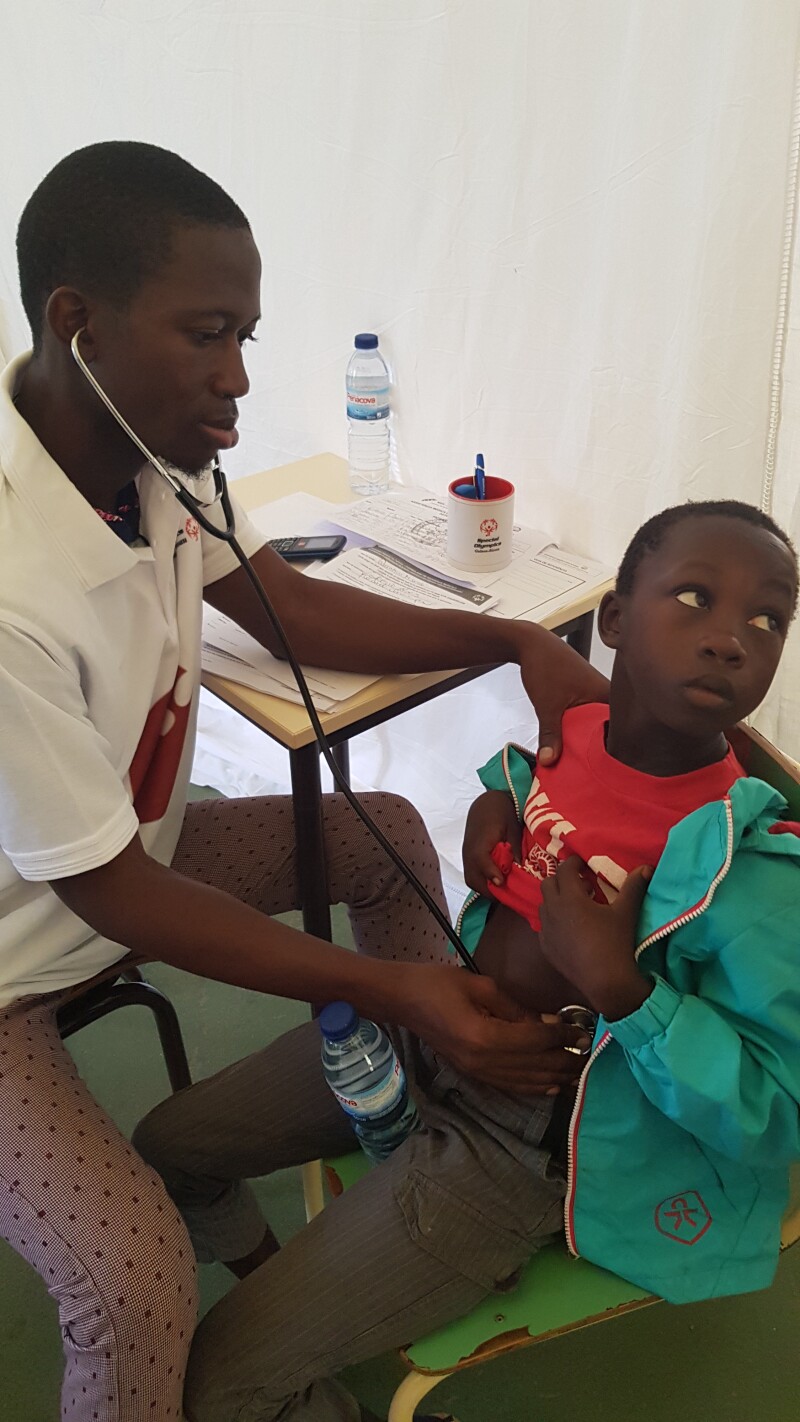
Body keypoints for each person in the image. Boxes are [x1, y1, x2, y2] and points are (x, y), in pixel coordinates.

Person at [0, 140, 605, 1420]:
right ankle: (412, 1066)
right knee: (132, 1287)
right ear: (79, 323)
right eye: (208, 336)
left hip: (114, 866)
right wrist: (391, 984)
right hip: (25, 949)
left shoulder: (146, 458)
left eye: (248, 337)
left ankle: (422, 1145)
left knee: (380, 827)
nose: (236, 383)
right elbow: (115, 894)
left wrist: (511, 640)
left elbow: (281, 604)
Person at [134, 499, 800, 1422]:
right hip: (431, 1026)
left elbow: (773, 1115)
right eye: (694, 597)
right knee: (169, 1145)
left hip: (531, 1137)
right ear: (611, 618)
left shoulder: (750, 863)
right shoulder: (574, 735)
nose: (731, 638)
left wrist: (626, 992)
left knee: (218, 1383)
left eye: (767, 619)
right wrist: (496, 812)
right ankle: (284, 1284)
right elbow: (523, 786)